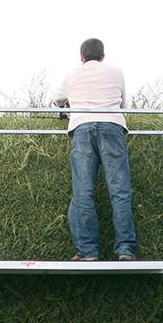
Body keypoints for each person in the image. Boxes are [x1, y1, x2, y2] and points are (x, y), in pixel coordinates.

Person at [53, 38, 137, 261]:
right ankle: (126, 250)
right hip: (112, 126)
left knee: (83, 191)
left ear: (81, 57)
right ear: (102, 56)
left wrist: (68, 105)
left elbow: (57, 99)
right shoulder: (116, 72)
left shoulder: (72, 75)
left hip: (82, 129)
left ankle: (88, 252)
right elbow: (123, 105)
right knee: (119, 191)